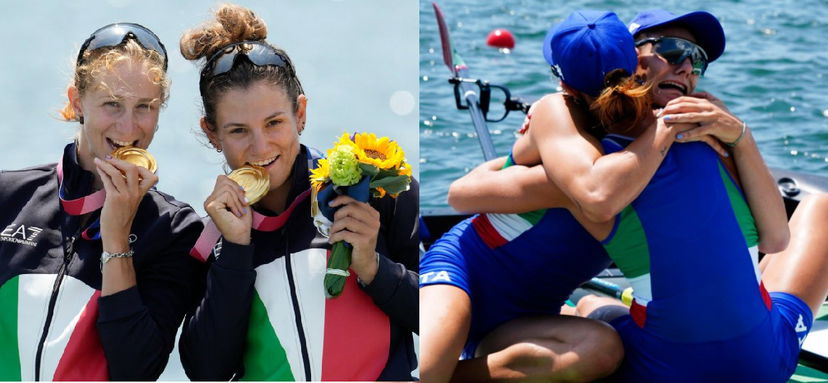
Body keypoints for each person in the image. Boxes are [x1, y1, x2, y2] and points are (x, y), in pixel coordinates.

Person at [450, 9, 826, 382]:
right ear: (627, 58)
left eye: (697, 61)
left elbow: (466, 193)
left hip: (668, 365)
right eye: (673, 51)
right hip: (762, 361)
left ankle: (594, 307)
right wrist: (736, 137)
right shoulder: (609, 161)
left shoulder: (618, 152)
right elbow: (774, 239)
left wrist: (740, 135)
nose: (686, 68)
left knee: (601, 310)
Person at [420, 10, 678, 383]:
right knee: (427, 373)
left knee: (603, 350)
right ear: (635, 66)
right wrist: (667, 127)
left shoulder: (630, 141)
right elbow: (461, 195)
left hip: (530, 317)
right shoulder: (557, 116)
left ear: (564, 81)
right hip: (462, 276)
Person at [176, 4, 419, 381]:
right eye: (238, 130)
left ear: (300, 114)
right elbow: (206, 370)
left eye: (274, 123)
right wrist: (236, 252)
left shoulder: (373, 190)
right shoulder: (210, 239)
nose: (260, 148)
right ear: (212, 132)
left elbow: (437, 317)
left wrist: (374, 268)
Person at [0, 23, 205, 380]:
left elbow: (136, 370)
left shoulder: (174, 230)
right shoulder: (9, 196)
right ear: (77, 101)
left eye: (145, 106)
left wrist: (116, 239)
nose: (128, 129)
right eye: (112, 104)